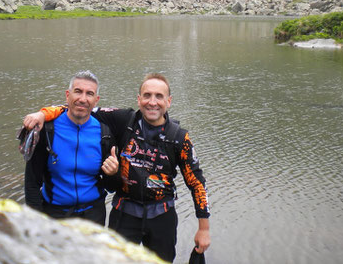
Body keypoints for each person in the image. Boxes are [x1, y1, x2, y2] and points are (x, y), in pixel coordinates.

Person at [23, 73, 210, 263]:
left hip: (162, 217)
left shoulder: (178, 137)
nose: (152, 102)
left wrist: (204, 229)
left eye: (159, 96)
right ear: (139, 99)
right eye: (147, 95)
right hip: (124, 214)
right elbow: (80, 107)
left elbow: (196, 183)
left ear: (168, 101)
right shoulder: (123, 120)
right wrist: (43, 114)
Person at [22, 70, 119, 225]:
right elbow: (32, 182)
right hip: (55, 214)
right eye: (78, 92)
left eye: (89, 94)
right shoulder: (48, 131)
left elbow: (112, 187)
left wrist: (113, 173)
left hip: (93, 215)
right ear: (68, 95)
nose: (83, 99)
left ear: (96, 100)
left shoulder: (104, 134)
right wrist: (36, 220)